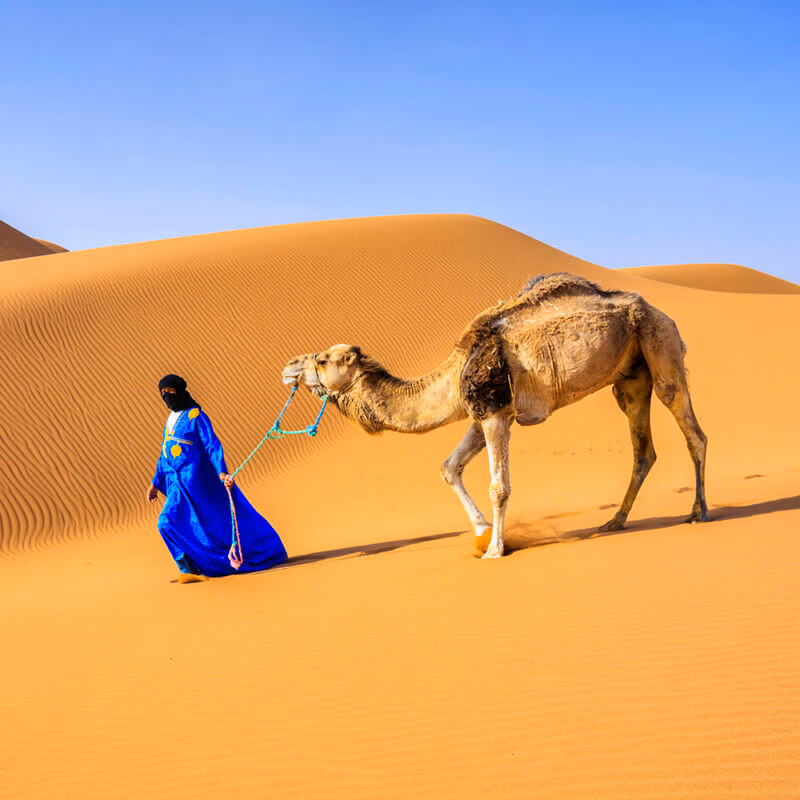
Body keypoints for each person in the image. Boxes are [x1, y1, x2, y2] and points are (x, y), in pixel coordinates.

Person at [146, 374, 287, 582]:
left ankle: (259, 551)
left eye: (170, 391)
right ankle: (187, 566)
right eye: (162, 393)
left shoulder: (195, 415)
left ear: (180, 391)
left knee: (213, 524)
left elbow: (212, 444)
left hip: (197, 483)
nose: (166, 396)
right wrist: (155, 483)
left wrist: (221, 470)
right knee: (166, 522)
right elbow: (164, 453)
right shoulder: (169, 420)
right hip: (176, 484)